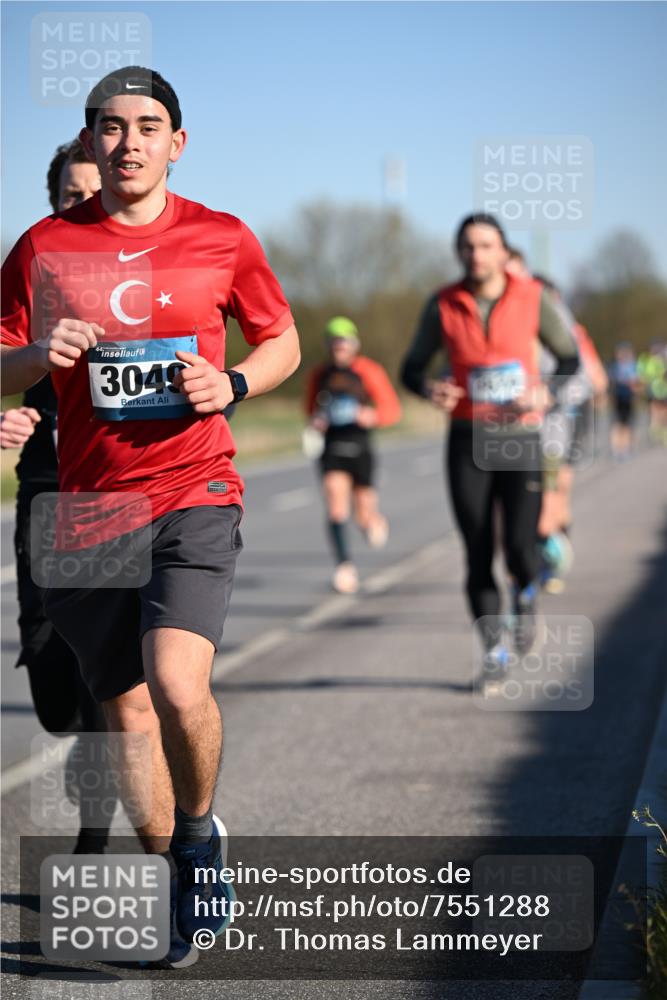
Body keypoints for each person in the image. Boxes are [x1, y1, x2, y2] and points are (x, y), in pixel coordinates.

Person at [1, 66, 300, 967]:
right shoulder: (44, 246)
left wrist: (234, 382)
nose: (126, 141)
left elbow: (280, 339)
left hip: (193, 491)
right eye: (109, 125)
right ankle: (176, 872)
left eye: (145, 126)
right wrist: (34, 355)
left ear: (176, 142)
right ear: (89, 140)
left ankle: (198, 837)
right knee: (123, 713)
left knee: (174, 684)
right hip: (88, 508)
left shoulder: (222, 237)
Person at [400, 213, 579, 685]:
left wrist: (546, 392)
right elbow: (411, 369)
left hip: (519, 437)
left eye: (485, 246)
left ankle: (526, 597)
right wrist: (430, 389)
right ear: (459, 252)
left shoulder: (532, 297)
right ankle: (494, 650)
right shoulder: (443, 303)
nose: (476, 254)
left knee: (520, 547)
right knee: (477, 550)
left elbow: (570, 357)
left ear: (503, 251)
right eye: (468, 246)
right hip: (467, 439)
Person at [1, 138, 112, 853]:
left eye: (94, 191)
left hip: (113, 488)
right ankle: (85, 742)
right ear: (53, 203)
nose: (85, 203)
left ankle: (93, 840)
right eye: (72, 194)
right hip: (45, 483)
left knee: (100, 658)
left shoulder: (143, 275)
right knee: (49, 677)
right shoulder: (33, 270)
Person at [305, 316, 401, 594]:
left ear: (354, 345)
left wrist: (372, 415)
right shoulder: (319, 375)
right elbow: (310, 408)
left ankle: (373, 520)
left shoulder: (368, 371)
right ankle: (344, 566)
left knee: (363, 516)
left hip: (360, 445)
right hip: (332, 446)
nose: (339, 349)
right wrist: (316, 421)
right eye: (334, 344)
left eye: (344, 343)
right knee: (336, 506)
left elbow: (392, 410)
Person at [608, 343, 639, 459]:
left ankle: (625, 448)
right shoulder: (615, 366)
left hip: (628, 398)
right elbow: (615, 380)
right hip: (618, 398)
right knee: (617, 424)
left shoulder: (632, 365)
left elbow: (636, 382)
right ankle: (616, 448)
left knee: (626, 424)